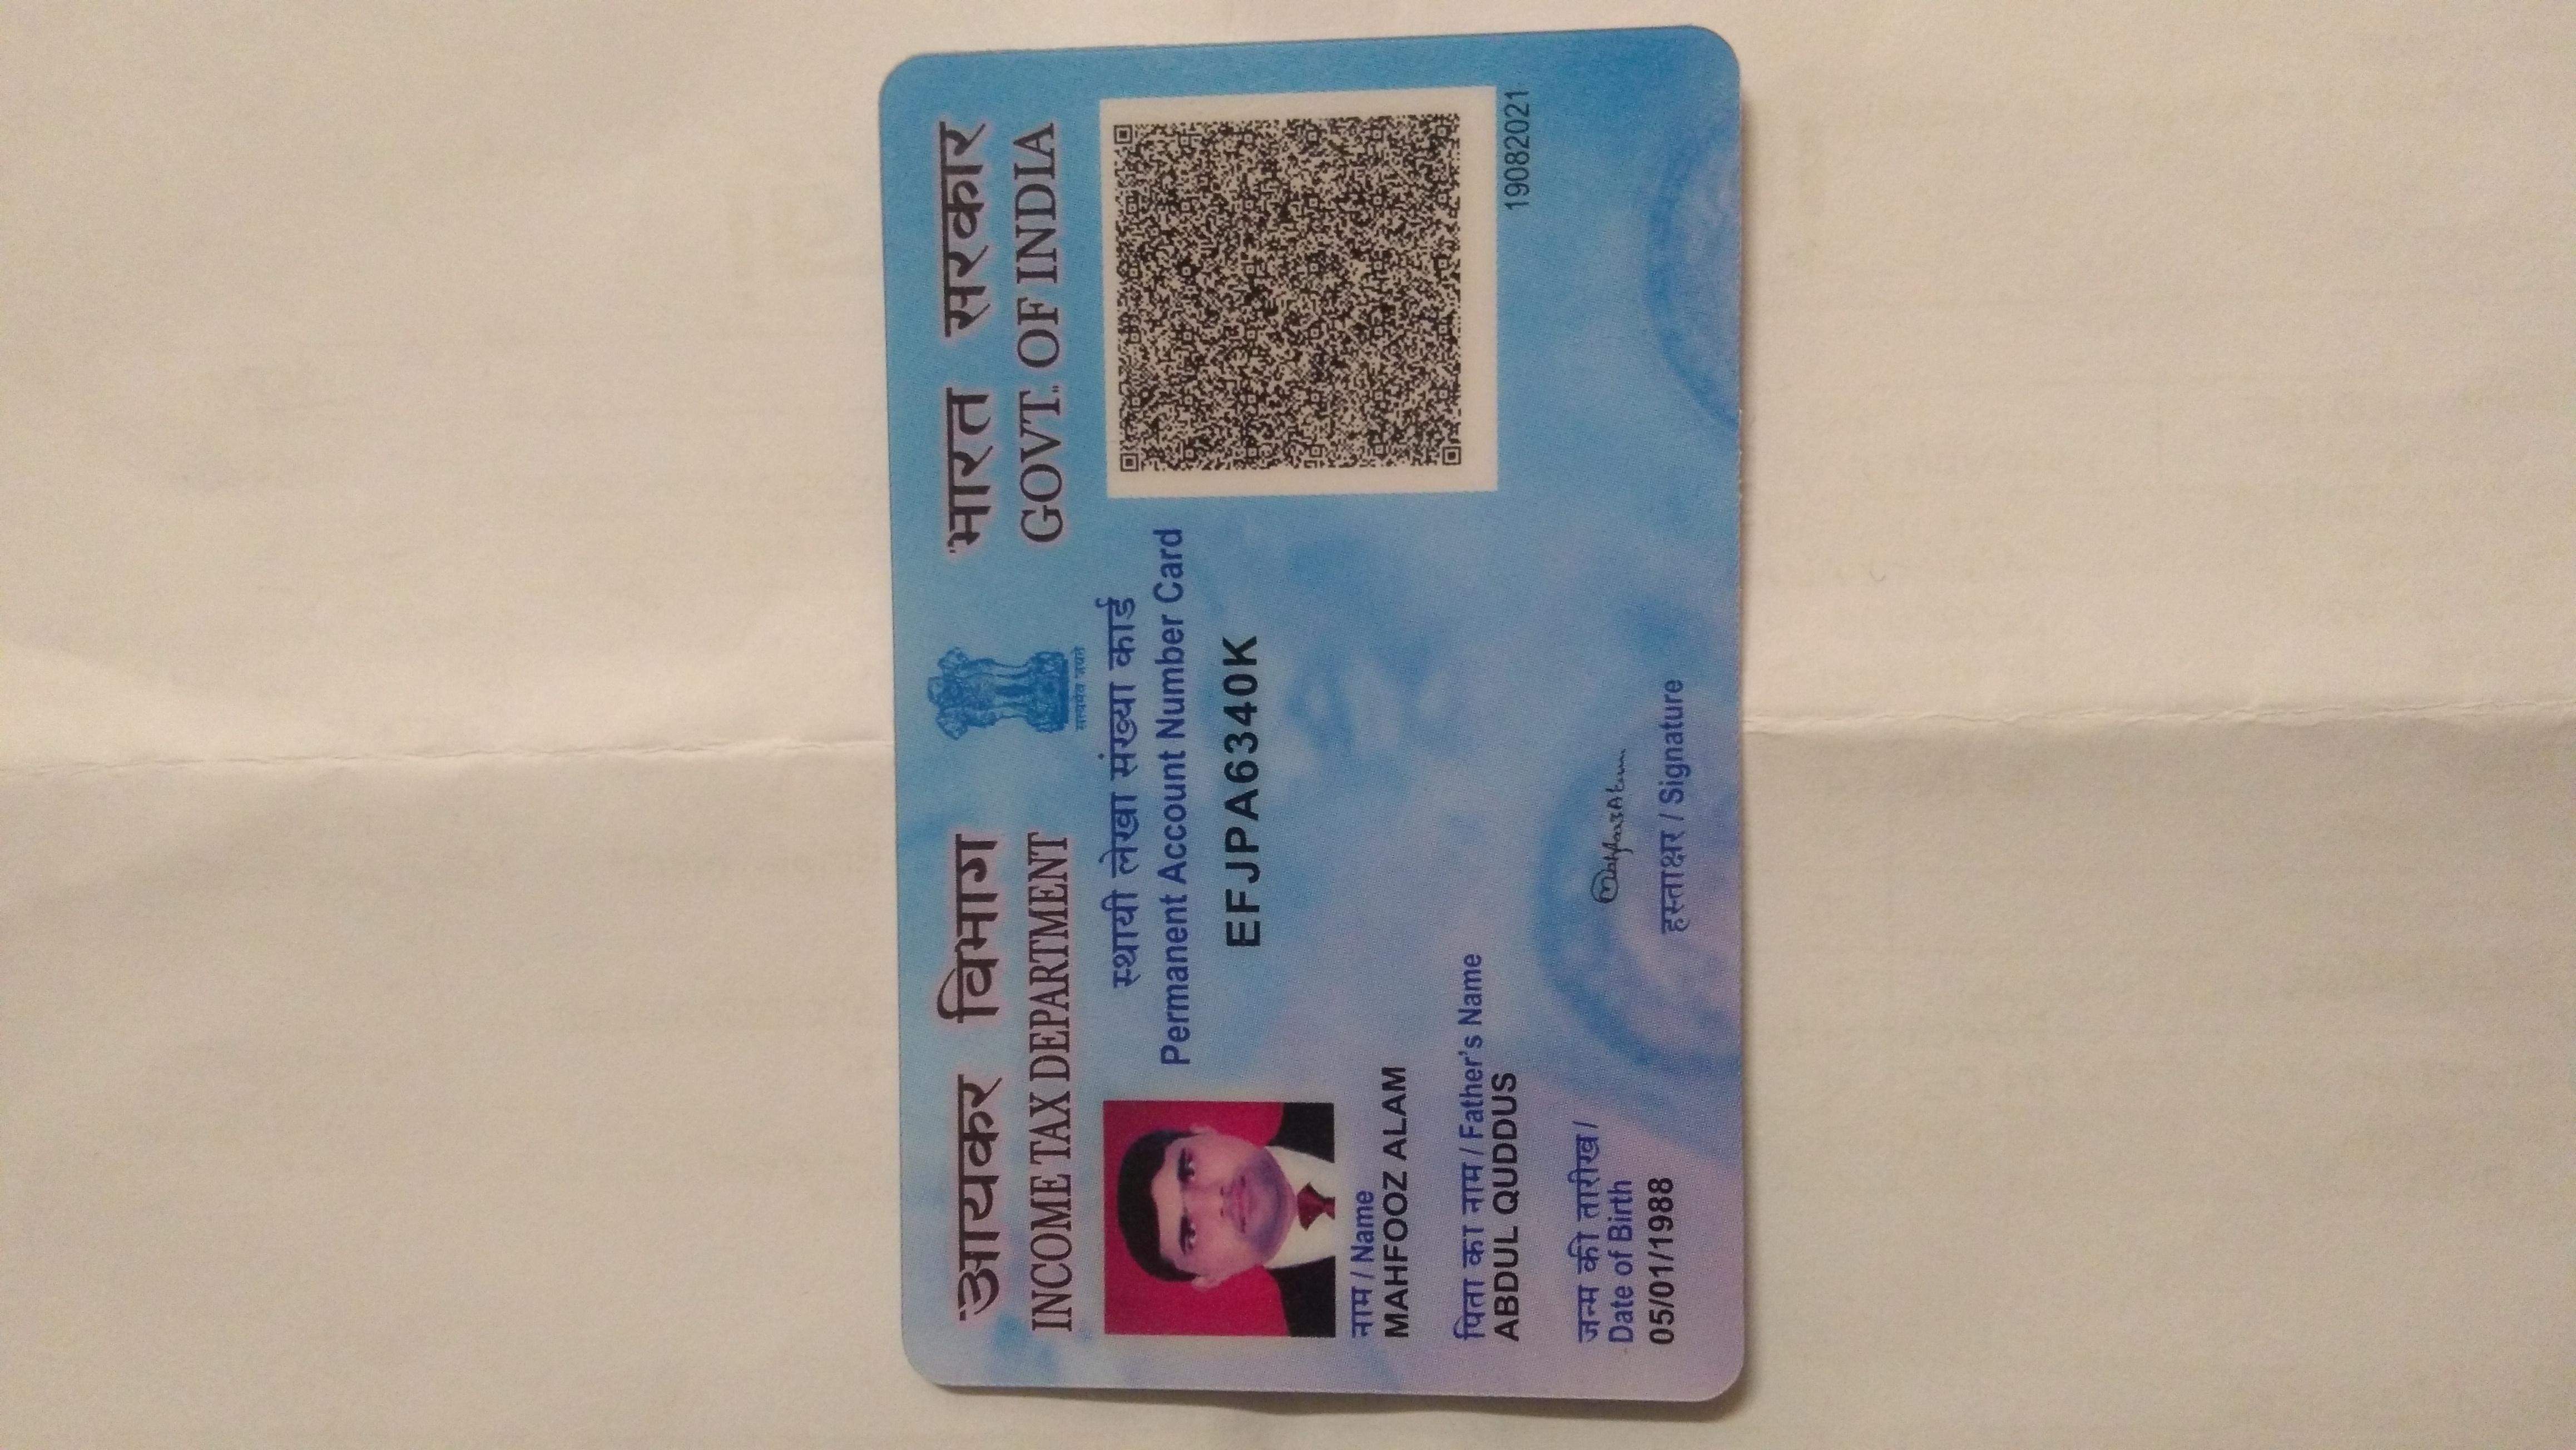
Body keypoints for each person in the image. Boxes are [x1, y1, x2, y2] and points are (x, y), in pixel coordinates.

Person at [1113, 1104, 1340, 1336]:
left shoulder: (1323, 1095)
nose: (1215, 1200)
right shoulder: (1321, 1334)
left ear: (1205, 1132)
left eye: (1189, 1169)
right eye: (1190, 1234)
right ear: (1212, 1278)